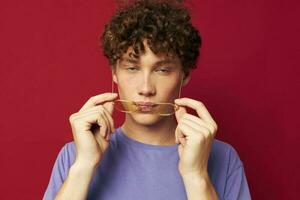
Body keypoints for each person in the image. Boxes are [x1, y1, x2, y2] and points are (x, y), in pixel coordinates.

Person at [43, 0, 251, 199]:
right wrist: (85, 165)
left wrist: (196, 176)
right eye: (132, 68)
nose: (145, 89)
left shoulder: (224, 158)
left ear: (184, 75)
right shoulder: (75, 155)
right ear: (114, 73)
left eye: (162, 70)